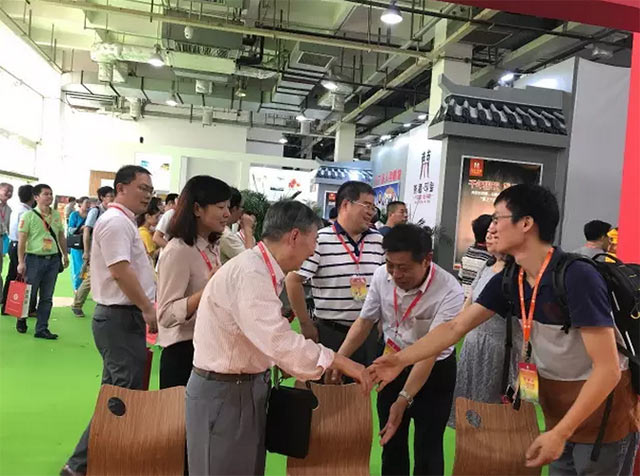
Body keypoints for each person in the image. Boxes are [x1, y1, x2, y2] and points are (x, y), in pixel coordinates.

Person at [370, 184, 639, 476]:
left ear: (526, 223)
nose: (492, 227)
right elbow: (456, 326)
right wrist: (400, 360)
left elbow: (608, 370)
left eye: (498, 218)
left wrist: (561, 432)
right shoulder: (513, 278)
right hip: (559, 411)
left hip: (601, 414)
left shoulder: (576, 277)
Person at [186, 200, 367, 476]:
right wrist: (339, 361)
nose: (314, 250)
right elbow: (278, 341)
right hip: (225, 394)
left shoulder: (261, 268)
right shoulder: (251, 272)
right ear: (294, 236)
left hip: (244, 388)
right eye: (314, 240)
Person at [329, 224, 462, 476]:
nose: (396, 274)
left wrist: (404, 399)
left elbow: (430, 352)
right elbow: (365, 321)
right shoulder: (382, 275)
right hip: (389, 364)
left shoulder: (449, 289)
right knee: (390, 440)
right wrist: (340, 358)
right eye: (390, 264)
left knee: (428, 446)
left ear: (427, 260)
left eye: (404, 267)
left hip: (433, 371)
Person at [62, 165, 158, 476]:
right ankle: (79, 465)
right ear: (121, 188)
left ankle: (96, 460)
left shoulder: (123, 222)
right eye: (142, 188)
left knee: (116, 392)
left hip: (121, 318)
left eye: (150, 189)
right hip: (120, 317)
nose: (148, 195)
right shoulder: (116, 222)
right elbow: (120, 271)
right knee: (121, 394)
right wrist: (147, 308)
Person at [285, 181, 385, 366]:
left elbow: (387, 283)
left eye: (374, 207)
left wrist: (382, 320)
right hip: (331, 332)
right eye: (367, 205)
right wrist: (305, 324)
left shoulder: (378, 240)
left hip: (367, 334)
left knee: (362, 382)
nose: (372, 212)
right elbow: (293, 280)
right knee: (326, 381)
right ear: (346, 204)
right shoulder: (320, 239)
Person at [157, 176, 230, 389]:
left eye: (228, 207)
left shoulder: (212, 246)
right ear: (197, 209)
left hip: (208, 348)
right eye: (220, 207)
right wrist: (207, 290)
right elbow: (165, 315)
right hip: (182, 353)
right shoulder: (178, 251)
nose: (227, 214)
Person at [448, 230, 521, 426]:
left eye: (495, 234)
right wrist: (457, 326)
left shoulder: (516, 275)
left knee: (492, 403)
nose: (489, 237)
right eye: (488, 233)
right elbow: (470, 299)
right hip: (473, 341)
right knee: (467, 396)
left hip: (500, 346)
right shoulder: (486, 266)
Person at [16, 184, 69, 338]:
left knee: (47, 296)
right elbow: (22, 241)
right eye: (46, 194)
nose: (49, 197)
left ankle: (42, 328)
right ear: (36, 197)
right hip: (34, 259)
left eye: (51, 194)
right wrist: (21, 262)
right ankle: (22, 318)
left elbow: (61, 236)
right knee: (30, 294)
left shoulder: (56, 215)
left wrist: (65, 254)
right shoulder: (28, 216)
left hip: (53, 260)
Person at [70, 186, 114, 317]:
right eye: (110, 196)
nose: (112, 198)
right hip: (96, 248)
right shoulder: (95, 211)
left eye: (113, 195)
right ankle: (77, 304)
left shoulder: (113, 211)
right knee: (91, 277)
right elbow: (86, 231)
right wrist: (87, 251)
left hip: (108, 248)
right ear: (102, 198)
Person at [1, 185, 34, 315]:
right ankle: (14, 306)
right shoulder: (26, 212)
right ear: (33, 196)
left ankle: (7, 305)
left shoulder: (15, 209)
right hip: (20, 245)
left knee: (13, 275)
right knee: (20, 276)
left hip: (13, 244)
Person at [458, 214, 493, 298]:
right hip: (477, 302)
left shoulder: (467, 255)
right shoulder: (489, 260)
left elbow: (460, 280)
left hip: (464, 300)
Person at [219, 187, 255, 264]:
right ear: (234, 208)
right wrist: (248, 228)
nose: (242, 211)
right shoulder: (226, 235)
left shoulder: (224, 231)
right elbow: (249, 261)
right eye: (241, 207)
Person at [67, 197, 90, 292]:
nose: (88, 205)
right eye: (86, 203)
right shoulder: (74, 215)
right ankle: (76, 287)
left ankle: (83, 288)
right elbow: (70, 229)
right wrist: (82, 228)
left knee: (87, 267)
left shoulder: (91, 215)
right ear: (80, 204)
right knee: (77, 267)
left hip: (88, 245)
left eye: (89, 203)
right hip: (77, 245)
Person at [0, 182, 13, 300]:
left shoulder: (9, 209)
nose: (9, 193)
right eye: (6, 190)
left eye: (11, 191)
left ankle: (1, 296)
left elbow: (9, 228)